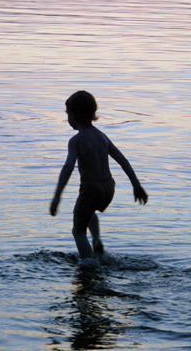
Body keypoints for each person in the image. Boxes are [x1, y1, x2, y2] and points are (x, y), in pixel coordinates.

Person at [50, 90, 148, 264]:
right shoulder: (102, 137)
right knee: (88, 212)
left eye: (68, 114)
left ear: (74, 115)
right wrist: (136, 185)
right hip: (109, 187)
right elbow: (123, 160)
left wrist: (57, 196)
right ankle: (96, 240)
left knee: (78, 231)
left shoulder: (76, 140)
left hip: (91, 188)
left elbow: (67, 168)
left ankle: (89, 264)